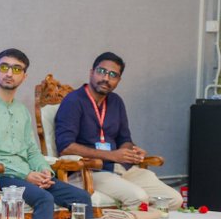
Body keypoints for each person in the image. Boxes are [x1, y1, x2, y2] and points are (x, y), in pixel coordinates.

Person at [0, 49, 93, 219]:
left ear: (24, 76)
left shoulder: (22, 110)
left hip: (28, 175)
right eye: (4, 67)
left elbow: (32, 150)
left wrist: (44, 171)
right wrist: (25, 175)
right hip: (0, 176)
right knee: (44, 199)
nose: (9, 73)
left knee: (82, 197)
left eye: (17, 69)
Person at [54, 52, 182, 209]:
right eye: (102, 71)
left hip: (120, 168)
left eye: (113, 75)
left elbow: (124, 139)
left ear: (118, 80)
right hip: (90, 171)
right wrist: (112, 155)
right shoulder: (74, 101)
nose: (106, 78)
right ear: (91, 72)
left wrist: (131, 152)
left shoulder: (116, 102)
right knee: (138, 198)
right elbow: (65, 147)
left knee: (173, 199)